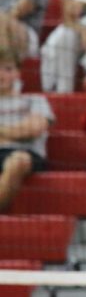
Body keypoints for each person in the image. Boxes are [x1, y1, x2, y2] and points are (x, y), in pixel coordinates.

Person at [0, 51, 53, 212]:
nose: (1, 74)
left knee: (18, 160)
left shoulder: (35, 100)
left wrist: (3, 132)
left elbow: (34, 129)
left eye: (8, 69)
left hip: (27, 154)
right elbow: (24, 129)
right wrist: (17, 130)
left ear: (18, 74)